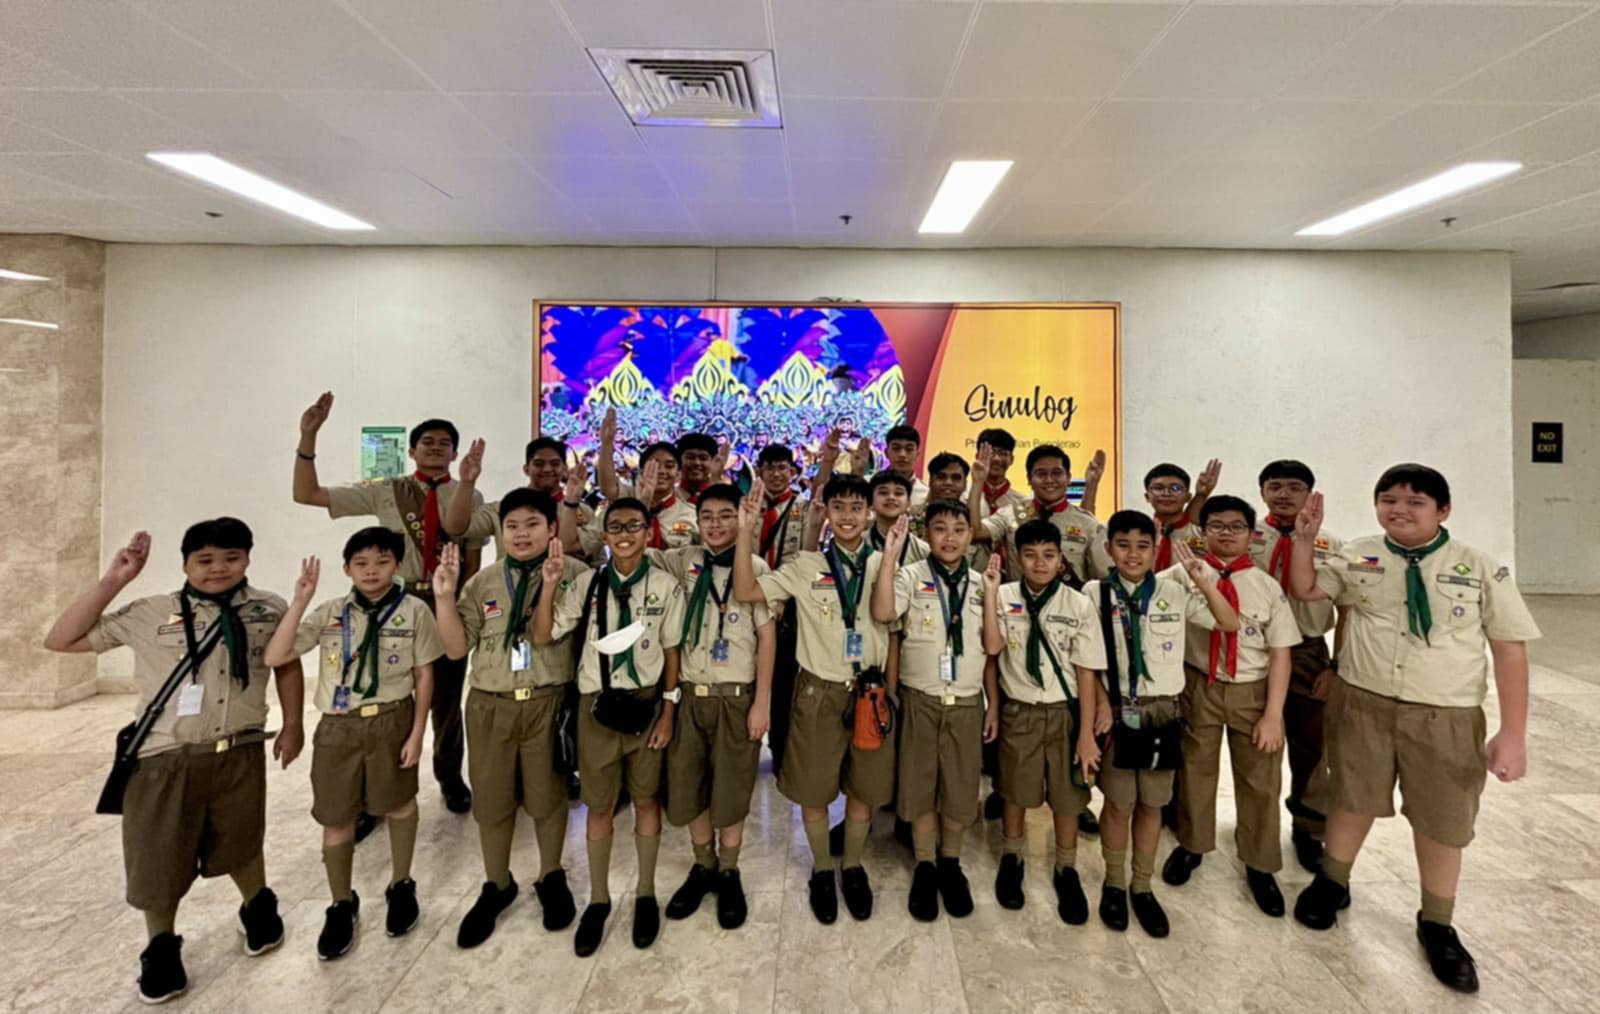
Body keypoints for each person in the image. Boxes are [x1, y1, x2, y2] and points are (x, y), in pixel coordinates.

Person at [1288, 466, 1540, 994]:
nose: (1399, 509)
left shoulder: (1478, 567)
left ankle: (1438, 921)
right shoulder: (1358, 555)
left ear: (1443, 510)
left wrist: (1513, 733)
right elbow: (1307, 589)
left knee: (1442, 816)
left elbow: (1510, 647)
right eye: (1388, 499)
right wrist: (1305, 541)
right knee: (1352, 795)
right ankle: (1332, 882)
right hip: (1363, 702)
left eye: (1415, 501)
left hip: (1444, 713)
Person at [45, 520, 305, 1005]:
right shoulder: (151, 612)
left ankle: (258, 906)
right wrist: (115, 580)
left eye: (231, 557)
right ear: (185, 564)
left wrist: (293, 724)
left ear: (247, 557)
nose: (219, 569)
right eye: (204, 560)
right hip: (165, 756)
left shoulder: (268, 610)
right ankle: (161, 945)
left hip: (239, 748)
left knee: (243, 838)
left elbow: (285, 664)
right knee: (158, 856)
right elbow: (61, 639)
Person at [263, 529, 461, 959]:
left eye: (383, 562)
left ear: (397, 566)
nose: (372, 571)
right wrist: (299, 601)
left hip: (392, 719)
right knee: (336, 817)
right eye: (362, 563)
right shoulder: (330, 612)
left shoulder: (413, 611)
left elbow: (425, 675)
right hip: (338, 727)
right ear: (347, 569)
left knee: (400, 803)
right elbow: (276, 657)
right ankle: (340, 902)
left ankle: (401, 884)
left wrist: (417, 732)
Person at [293, 391, 482, 815]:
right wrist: (308, 437)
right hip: (395, 605)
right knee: (386, 697)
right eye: (427, 442)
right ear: (411, 450)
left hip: (446, 604)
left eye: (444, 443)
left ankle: (450, 777)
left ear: (454, 452)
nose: (435, 448)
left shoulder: (469, 494)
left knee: (448, 702)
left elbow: (472, 556)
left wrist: (456, 601)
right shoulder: (385, 490)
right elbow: (309, 495)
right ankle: (372, 794)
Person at [732, 474, 893, 925]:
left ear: (869, 513)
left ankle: (854, 866)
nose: (847, 516)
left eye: (855, 508)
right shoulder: (806, 565)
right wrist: (745, 532)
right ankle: (823, 869)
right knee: (813, 789)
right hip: (818, 693)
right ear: (825, 512)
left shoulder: (884, 562)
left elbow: (888, 621)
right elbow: (747, 592)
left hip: (868, 692)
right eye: (837, 507)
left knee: (865, 788)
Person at [534, 498, 686, 957]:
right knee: (599, 807)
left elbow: (673, 652)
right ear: (602, 533)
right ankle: (598, 899)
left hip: (644, 708)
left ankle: (644, 892)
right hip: (597, 709)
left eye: (633, 526)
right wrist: (548, 586)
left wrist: (668, 711)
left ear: (648, 532)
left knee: (645, 800)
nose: (623, 534)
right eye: (614, 526)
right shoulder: (587, 584)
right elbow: (543, 635)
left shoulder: (665, 585)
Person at [1079, 511, 1238, 938]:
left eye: (1143, 546)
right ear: (1109, 548)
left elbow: (1228, 622)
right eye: (1124, 545)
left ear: (1155, 549)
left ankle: (1142, 886)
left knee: (1153, 803)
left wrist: (1202, 579)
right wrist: (1098, 707)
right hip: (1117, 711)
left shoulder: (1173, 590)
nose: (1133, 554)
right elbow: (1089, 665)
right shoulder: (1095, 593)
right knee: (1117, 803)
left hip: (1164, 712)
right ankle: (1113, 881)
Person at [446, 489, 587, 948]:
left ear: (552, 529)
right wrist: (444, 598)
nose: (521, 534)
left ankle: (551, 875)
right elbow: (453, 648)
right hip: (490, 703)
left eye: (532, 524)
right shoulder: (482, 582)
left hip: (548, 700)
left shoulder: (577, 575)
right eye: (512, 526)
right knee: (491, 801)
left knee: (548, 798)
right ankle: (497, 883)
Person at [1160, 495, 1299, 917]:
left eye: (1235, 526)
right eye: (1215, 525)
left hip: (1251, 691)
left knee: (1260, 779)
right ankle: (1193, 844)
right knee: (1195, 770)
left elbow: (1281, 654)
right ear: (1202, 531)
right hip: (1198, 684)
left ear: (1250, 534)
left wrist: (1274, 714)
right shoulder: (1177, 576)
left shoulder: (1266, 586)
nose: (1225, 533)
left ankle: (1259, 862)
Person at [870, 503, 997, 921]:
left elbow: (993, 649)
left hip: (963, 701)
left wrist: (991, 703)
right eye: (940, 529)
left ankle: (950, 863)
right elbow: (885, 614)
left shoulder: (983, 584)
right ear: (926, 534)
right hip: (920, 698)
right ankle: (925, 863)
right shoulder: (910, 576)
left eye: (959, 529)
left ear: (968, 535)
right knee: (920, 785)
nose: (949, 537)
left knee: (960, 790)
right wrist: (890, 557)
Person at [656, 484, 776, 930]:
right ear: (696, 519)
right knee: (689, 784)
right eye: (708, 516)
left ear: (741, 517)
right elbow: (633, 555)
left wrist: (762, 703)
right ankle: (702, 864)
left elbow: (766, 636)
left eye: (727, 515)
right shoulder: (681, 561)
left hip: (736, 697)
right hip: (690, 695)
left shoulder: (757, 568)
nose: (716, 524)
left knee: (731, 788)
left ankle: (729, 870)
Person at [984, 520, 1107, 924]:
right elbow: (992, 655)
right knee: (1015, 791)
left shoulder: (1077, 604)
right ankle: (1013, 858)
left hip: (1064, 713)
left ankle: (1066, 868)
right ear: (1018, 558)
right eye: (1031, 555)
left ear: (1060, 560)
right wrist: (994, 708)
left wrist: (1086, 735)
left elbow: (1086, 672)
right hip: (1019, 710)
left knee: (1068, 796)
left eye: (1049, 556)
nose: (1040, 563)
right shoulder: (1001, 596)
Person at [1250, 459, 1343, 872]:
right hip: (1254, 651)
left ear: (1310, 494)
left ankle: (1308, 827)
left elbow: (1349, 609)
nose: (1284, 494)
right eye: (1275, 486)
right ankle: (1257, 827)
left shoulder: (1332, 546)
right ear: (1262, 492)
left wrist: (1335, 666)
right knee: (1257, 742)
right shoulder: (1245, 535)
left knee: (1310, 746)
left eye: (1294, 487)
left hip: (1307, 651)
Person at [969, 443, 1110, 586]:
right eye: (1041, 474)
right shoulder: (1010, 514)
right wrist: (978, 482)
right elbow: (975, 531)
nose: (1049, 480)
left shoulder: (1087, 523)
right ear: (1029, 479)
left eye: (1056, 473)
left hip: (1069, 605)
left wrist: (1092, 486)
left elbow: (1101, 578)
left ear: (1068, 478)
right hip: (1019, 605)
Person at [442, 436, 596, 562]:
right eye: (539, 464)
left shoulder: (581, 511)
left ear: (564, 469)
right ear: (526, 469)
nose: (547, 469)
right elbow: (456, 528)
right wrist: (467, 482)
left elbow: (595, 560)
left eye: (554, 464)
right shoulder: (503, 509)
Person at [752, 443, 808, 774]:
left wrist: (784, 599)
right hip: (750, 600)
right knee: (748, 673)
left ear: (792, 472)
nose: (776, 473)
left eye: (783, 467)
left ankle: (781, 746)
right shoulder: (746, 506)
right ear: (759, 471)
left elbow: (803, 556)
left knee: (785, 680)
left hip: (788, 607)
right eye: (770, 467)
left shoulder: (802, 508)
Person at [1143, 462, 1214, 570]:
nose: (1166, 493)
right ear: (1147, 497)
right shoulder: (1140, 533)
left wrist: (1201, 495)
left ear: (1188, 497)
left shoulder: (1203, 533)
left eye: (1175, 488)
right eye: (1158, 488)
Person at [867, 471, 930, 564]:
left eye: (898, 493)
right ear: (871, 503)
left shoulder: (923, 550)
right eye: (883, 492)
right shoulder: (858, 543)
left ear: (908, 504)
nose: (891, 497)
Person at [885, 424, 930, 508]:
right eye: (896, 448)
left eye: (909, 449)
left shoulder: (926, 494)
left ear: (917, 455)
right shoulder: (871, 487)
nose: (902, 454)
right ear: (886, 453)